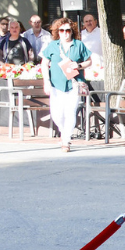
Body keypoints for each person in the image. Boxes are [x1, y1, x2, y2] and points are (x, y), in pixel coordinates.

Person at [41, 18, 90, 152]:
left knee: (70, 111)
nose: (65, 33)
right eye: (62, 30)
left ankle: (66, 140)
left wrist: (79, 65)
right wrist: (46, 81)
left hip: (73, 83)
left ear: (72, 31)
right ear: (58, 32)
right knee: (56, 113)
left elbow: (89, 61)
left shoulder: (79, 45)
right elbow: (44, 63)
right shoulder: (52, 46)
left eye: (68, 30)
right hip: (56, 84)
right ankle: (64, 132)